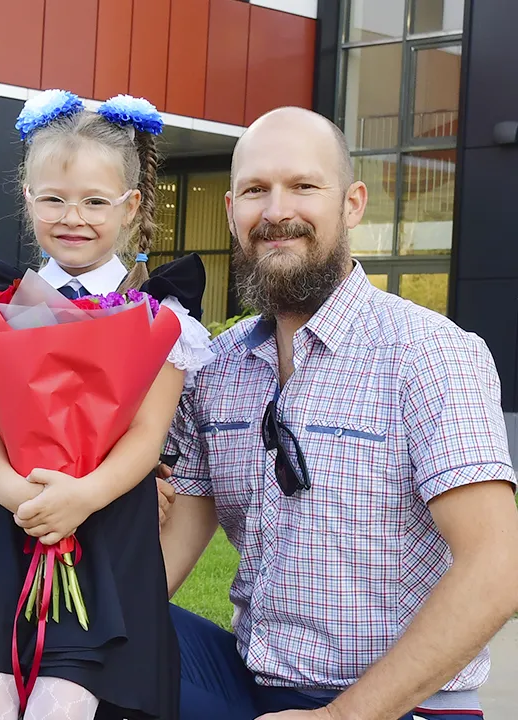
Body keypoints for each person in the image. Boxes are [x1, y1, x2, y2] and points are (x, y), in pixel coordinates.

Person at [160, 106, 518, 720]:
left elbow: (497, 566)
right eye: (255, 190)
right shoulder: (213, 368)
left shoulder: (431, 354)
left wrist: (341, 718)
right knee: (70, 631)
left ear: (352, 204)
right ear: (231, 212)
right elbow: (176, 541)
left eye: (303, 186)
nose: (276, 211)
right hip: (250, 685)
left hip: (403, 704)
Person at [0, 90, 214, 720]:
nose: (74, 217)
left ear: (132, 206)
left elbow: (147, 438)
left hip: (104, 528)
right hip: (5, 526)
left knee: (59, 706)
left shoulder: (159, 312)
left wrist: (82, 497)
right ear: (28, 199)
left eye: (96, 201)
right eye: (54, 199)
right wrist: (15, 495)